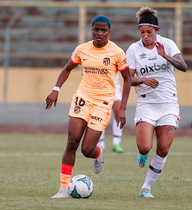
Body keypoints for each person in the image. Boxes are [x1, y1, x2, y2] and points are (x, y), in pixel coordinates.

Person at [46, 15, 131, 198]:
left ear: (109, 32)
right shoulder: (82, 49)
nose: (99, 33)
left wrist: (122, 107)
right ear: (91, 30)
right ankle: (62, 189)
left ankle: (98, 153)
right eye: (96, 30)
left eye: (103, 30)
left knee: (86, 150)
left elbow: (128, 79)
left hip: (103, 103)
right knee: (71, 142)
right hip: (82, 99)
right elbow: (67, 68)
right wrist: (56, 89)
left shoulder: (117, 52)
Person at [126, 6, 187, 198]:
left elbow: (183, 66)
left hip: (168, 104)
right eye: (142, 32)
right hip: (147, 103)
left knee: (163, 148)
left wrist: (165, 56)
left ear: (157, 31)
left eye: (149, 32)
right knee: (145, 147)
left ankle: (146, 188)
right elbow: (128, 80)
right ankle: (143, 154)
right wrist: (143, 80)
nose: (145, 36)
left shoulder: (167, 44)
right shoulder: (133, 50)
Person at [97, 73, 125, 153]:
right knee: (101, 115)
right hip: (101, 89)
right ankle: (100, 143)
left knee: (119, 113)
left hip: (115, 88)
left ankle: (116, 143)